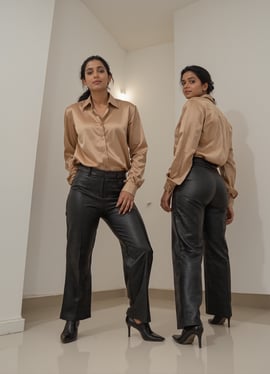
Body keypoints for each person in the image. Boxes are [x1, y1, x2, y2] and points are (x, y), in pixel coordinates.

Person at [60, 55, 164, 344]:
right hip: (84, 188)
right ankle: (72, 319)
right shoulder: (72, 112)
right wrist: (75, 179)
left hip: (120, 188)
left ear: (109, 76)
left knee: (141, 249)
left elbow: (140, 150)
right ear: (84, 80)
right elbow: (69, 151)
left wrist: (130, 187)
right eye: (89, 72)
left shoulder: (128, 110)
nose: (95, 75)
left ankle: (138, 316)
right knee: (78, 254)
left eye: (100, 70)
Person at [160, 65, 238, 348]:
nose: (186, 87)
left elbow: (186, 147)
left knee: (188, 250)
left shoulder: (194, 107)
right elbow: (229, 159)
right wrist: (228, 195)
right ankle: (221, 311)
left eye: (192, 81)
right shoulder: (223, 118)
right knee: (217, 249)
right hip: (216, 183)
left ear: (206, 86)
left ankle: (192, 323)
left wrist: (170, 184)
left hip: (193, 178)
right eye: (182, 82)